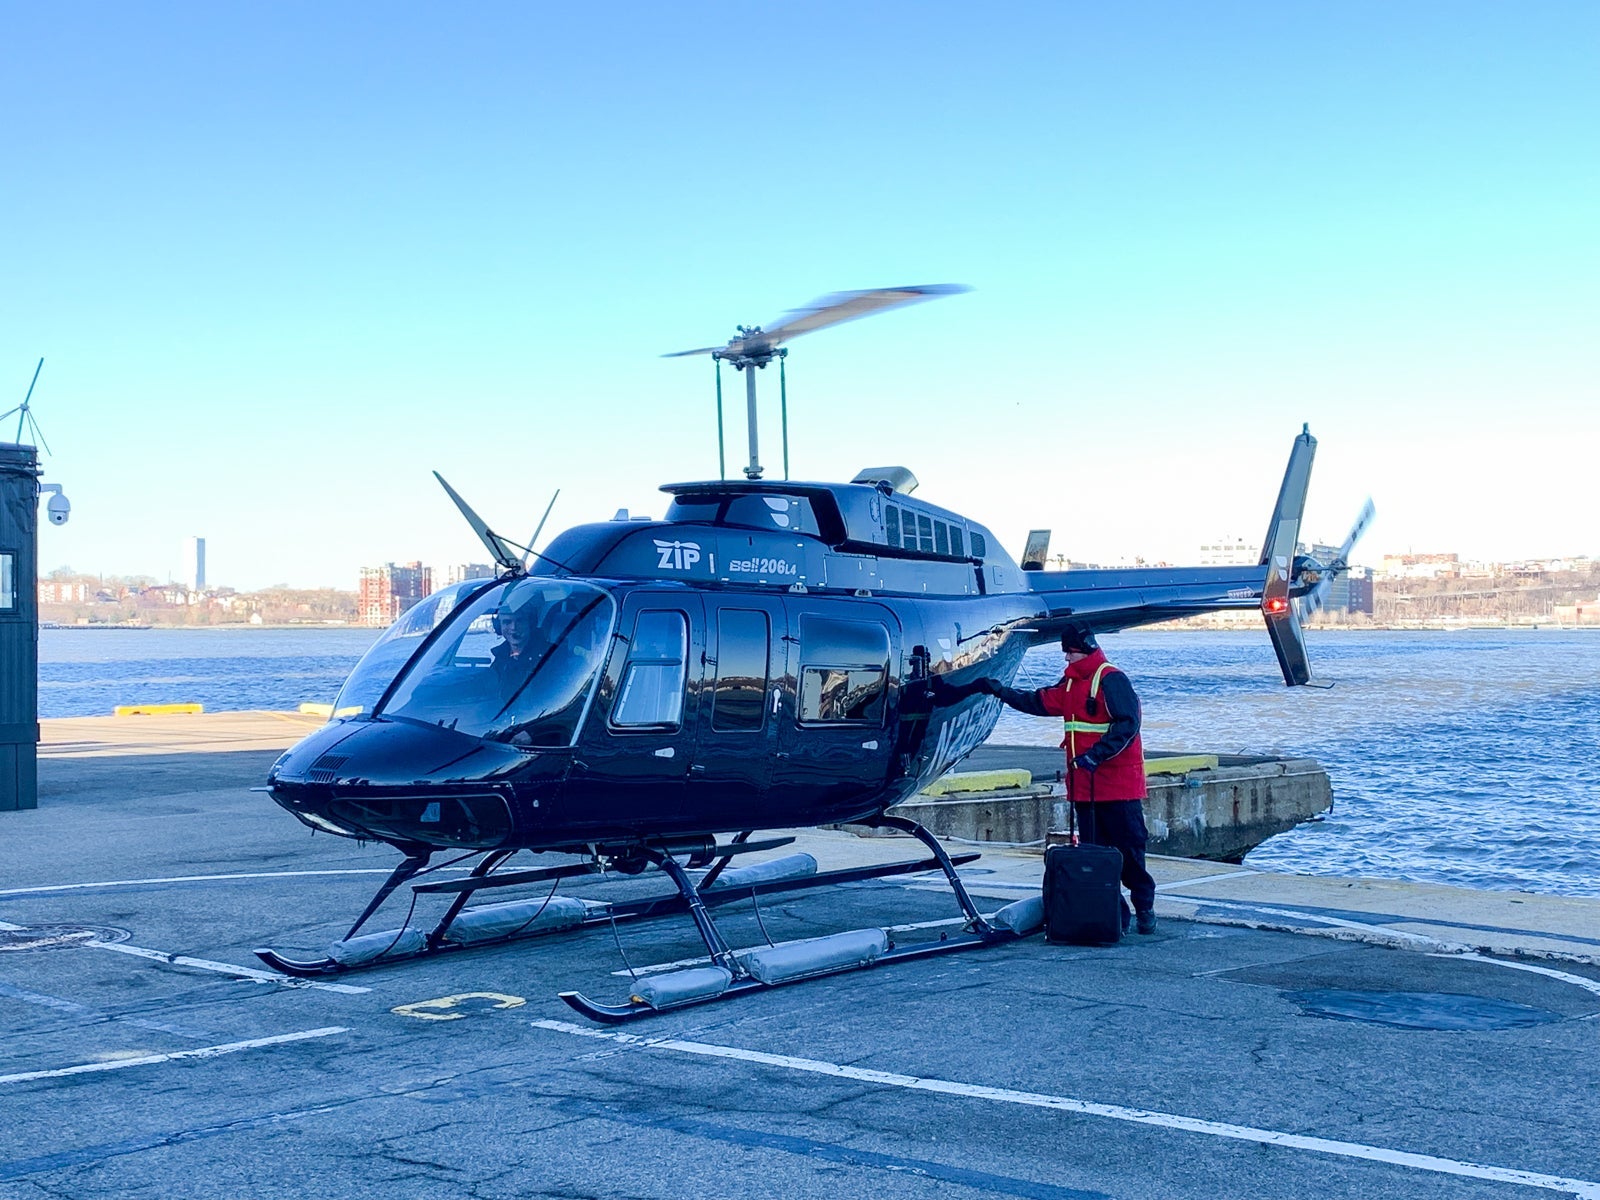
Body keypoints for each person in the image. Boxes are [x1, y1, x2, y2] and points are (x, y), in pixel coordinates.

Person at [937, 620, 1157, 934]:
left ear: (1087, 649)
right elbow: (1038, 702)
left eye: (1071, 652)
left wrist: (1096, 755)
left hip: (1119, 788)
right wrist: (1000, 691)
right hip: (1085, 787)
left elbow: (1128, 724)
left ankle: (1145, 908)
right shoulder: (1070, 684)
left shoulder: (1111, 679)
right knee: (1094, 856)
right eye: (1065, 651)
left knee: (1130, 852)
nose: (1066, 657)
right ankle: (1114, 918)